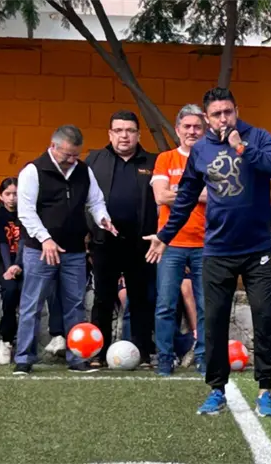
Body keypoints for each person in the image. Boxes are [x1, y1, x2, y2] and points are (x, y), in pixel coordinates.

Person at [144, 87, 271, 417]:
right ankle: (216, 390)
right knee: (214, 322)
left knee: (264, 317)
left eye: (228, 111)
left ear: (236, 110)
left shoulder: (258, 136)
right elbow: (183, 201)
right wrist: (165, 236)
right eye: (217, 114)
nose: (224, 118)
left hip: (258, 249)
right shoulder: (201, 150)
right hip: (218, 250)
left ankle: (265, 390)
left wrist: (241, 146)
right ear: (207, 118)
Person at [14, 125, 117, 375]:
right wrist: (45, 239)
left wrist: (103, 218)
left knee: (75, 305)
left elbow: (95, 201)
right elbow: (25, 212)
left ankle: (76, 357)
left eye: (75, 155)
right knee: (32, 305)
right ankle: (24, 359)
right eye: (67, 155)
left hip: (74, 251)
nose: (72, 160)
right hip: (39, 250)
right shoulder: (32, 171)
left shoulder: (83, 171)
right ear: (53, 147)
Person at [87, 110, 158, 368]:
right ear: (110, 133)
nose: (124, 135)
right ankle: (98, 352)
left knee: (141, 298)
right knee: (103, 298)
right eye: (118, 130)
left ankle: (143, 352)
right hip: (104, 243)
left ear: (138, 134)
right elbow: (86, 200)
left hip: (141, 244)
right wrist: (93, 231)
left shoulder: (153, 161)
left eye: (129, 130)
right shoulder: (95, 160)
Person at [150, 103, 208, 376]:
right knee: (165, 305)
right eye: (187, 126)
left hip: (206, 243)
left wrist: (181, 192)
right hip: (171, 243)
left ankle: (204, 357)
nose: (192, 131)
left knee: (206, 305)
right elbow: (160, 196)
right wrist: (198, 193)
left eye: (197, 126)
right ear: (177, 130)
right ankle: (164, 358)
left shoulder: (212, 159)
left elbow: (218, 196)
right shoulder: (166, 159)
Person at [0, 177, 22, 364]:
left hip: (23, 261)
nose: (12, 198)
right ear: (0, 196)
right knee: (10, 289)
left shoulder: (26, 211)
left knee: (25, 290)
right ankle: (6, 340)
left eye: (16, 194)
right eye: (8, 194)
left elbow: (26, 242)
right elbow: (2, 242)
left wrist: (18, 265)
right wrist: (9, 267)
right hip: (3, 262)